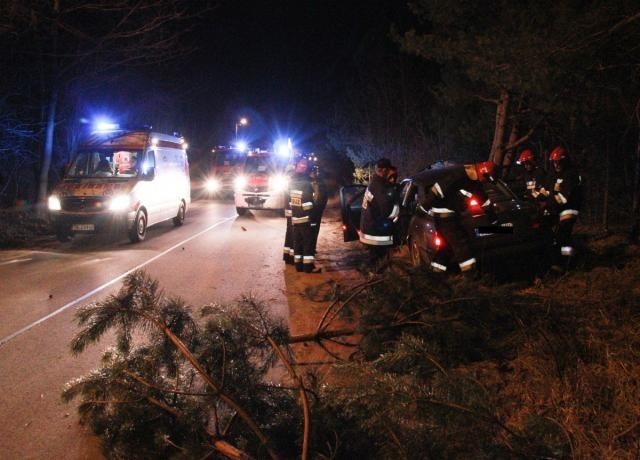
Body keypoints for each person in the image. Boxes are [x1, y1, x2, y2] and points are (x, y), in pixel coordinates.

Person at [422, 161, 495, 274]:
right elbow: (435, 192)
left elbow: (484, 200)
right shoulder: (458, 176)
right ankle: (471, 277)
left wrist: (493, 217)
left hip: (452, 216)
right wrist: (423, 208)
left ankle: (435, 275)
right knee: (462, 247)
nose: (486, 182)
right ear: (482, 173)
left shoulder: (475, 182)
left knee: (446, 248)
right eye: (487, 178)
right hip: (444, 217)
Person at [541, 146, 582, 269]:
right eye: (554, 162)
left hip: (569, 209)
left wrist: (547, 203)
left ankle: (569, 261)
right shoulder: (552, 174)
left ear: (565, 161)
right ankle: (556, 260)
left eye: (559, 162)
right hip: (556, 208)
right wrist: (539, 199)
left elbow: (563, 198)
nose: (556, 164)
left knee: (563, 235)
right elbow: (546, 189)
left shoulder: (571, 174)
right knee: (547, 232)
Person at [359, 158, 399, 272]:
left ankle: (371, 274)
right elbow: (386, 210)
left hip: (369, 228)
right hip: (375, 232)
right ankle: (375, 278)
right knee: (378, 259)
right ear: (384, 170)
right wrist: (396, 216)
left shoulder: (374, 183)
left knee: (375, 257)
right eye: (389, 170)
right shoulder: (380, 187)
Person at [289, 157, 319, 273]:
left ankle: (298, 266)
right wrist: (312, 216)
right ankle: (308, 268)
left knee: (298, 242)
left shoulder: (292, 183)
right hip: (305, 219)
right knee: (308, 243)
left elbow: (291, 201)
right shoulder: (306, 185)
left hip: (296, 218)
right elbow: (307, 204)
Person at [309, 163, 328, 255]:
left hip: (317, 210)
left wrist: (322, 207)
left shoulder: (321, 182)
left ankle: (312, 248)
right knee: (309, 230)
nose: (315, 173)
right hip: (308, 211)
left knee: (315, 230)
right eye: (313, 172)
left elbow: (325, 196)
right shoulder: (306, 183)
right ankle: (308, 249)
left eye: (316, 172)